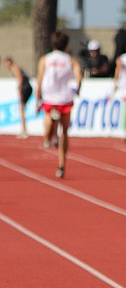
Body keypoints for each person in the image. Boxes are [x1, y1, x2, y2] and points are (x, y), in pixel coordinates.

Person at [36, 31, 82, 179]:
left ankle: (48, 138)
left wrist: (38, 98)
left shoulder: (45, 59)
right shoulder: (71, 60)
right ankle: (61, 165)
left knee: (48, 121)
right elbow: (79, 77)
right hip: (65, 97)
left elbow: (39, 79)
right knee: (65, 132)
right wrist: (78, 90)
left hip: (50, 96)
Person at [4, 56, 33, 138]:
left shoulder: (14, 67)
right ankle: (24, 130)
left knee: (22, 110)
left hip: (25, 88)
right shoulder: (17, 67)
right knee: (22, 109)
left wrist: (20, 90)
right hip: (28, 87)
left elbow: (20, 79)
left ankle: (24, 130)